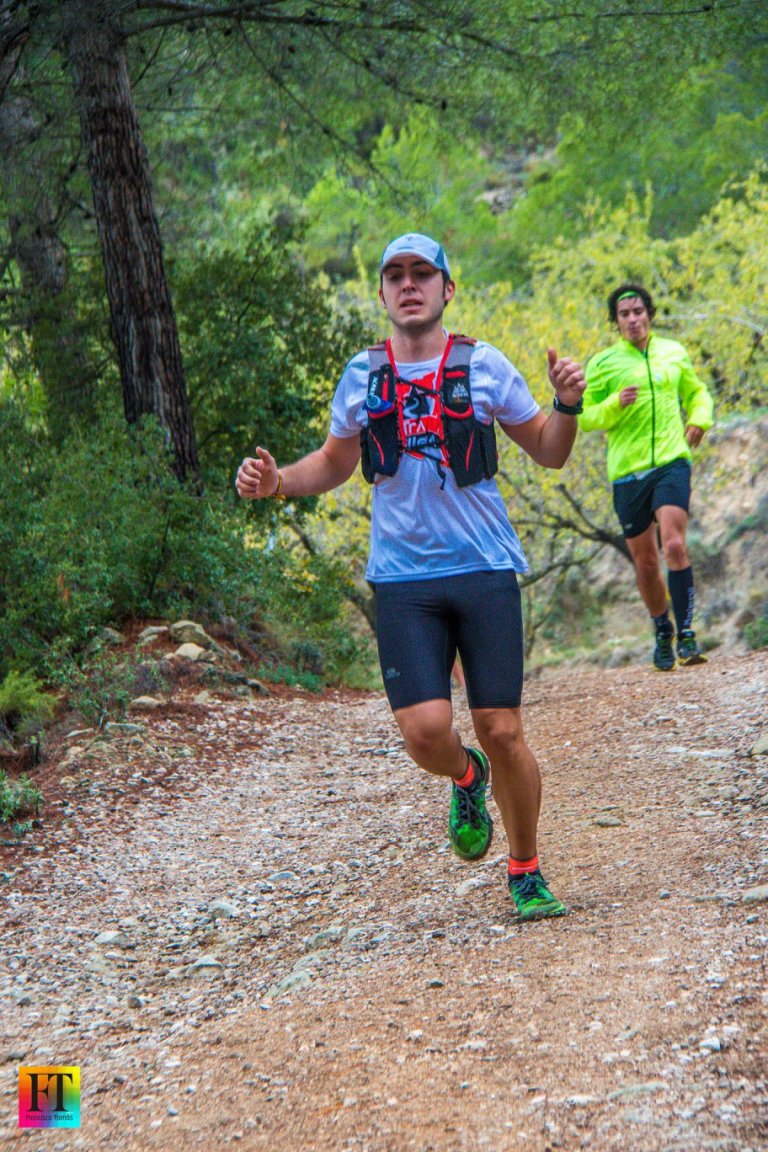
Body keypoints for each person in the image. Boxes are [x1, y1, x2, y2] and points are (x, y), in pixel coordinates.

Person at [236, 232, 586, 921]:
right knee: (427, 732)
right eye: (394, 275)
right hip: (402, 580)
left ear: (447, 288)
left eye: (422, 272)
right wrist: (278, 483)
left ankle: (525, 869)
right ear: (383, 294)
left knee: (502, 726)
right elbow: (336, 463)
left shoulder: (483, 365)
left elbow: (548, 451)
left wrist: (567, 403)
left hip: (484, 568)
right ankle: (465, 777)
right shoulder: (362, 376)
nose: (408, 284)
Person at [580, 283, 714, 671]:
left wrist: (700, 419)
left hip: (672, 460)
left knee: (673, 544)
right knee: (645, 563)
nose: (633, 319)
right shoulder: (604, 363)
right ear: (616, 322)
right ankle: (662, 630)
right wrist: (613, 404)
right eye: (625, 314)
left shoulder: (673, 352)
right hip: (627, 472)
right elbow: (586, 417)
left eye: (639, 311)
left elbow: (698, 392)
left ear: (649, 313)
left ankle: (687, 634)